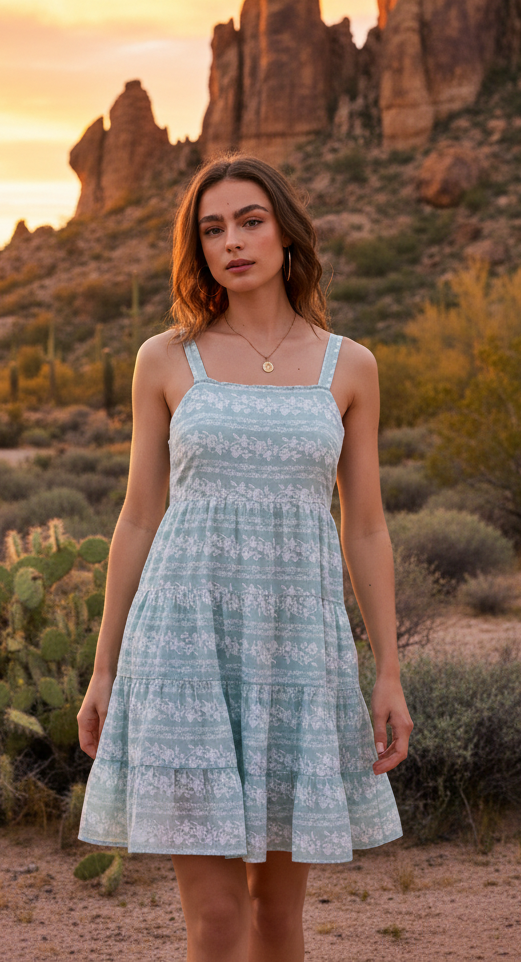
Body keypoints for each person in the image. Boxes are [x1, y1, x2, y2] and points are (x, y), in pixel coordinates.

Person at [77, 154, 413, 962]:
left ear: (287, 235)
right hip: (187, 648)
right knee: (218, 921)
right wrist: (104, 667)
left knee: (279, 921)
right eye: (213, 228)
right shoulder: (165, 358)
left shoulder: (350, 366)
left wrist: (389, 672)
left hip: (297, 651)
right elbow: (138, 516)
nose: (233, 241)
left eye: (251, 221)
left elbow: (364, 526)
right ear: (198, 248)